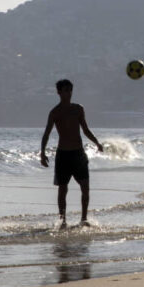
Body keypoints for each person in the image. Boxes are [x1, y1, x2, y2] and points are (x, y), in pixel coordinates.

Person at [40, 79, 104, 229]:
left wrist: (97, 143)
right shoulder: (55, 112)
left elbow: (85, 129)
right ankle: (62, 221)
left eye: (70, 90)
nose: (68, 93)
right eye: (65, 90)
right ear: (59, 92)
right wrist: (42, 153)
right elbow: (46, 133)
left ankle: (84, 219)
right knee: (63, 189)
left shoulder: (78, 109)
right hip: (63, 155)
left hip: (78, 154)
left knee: (85, 187)